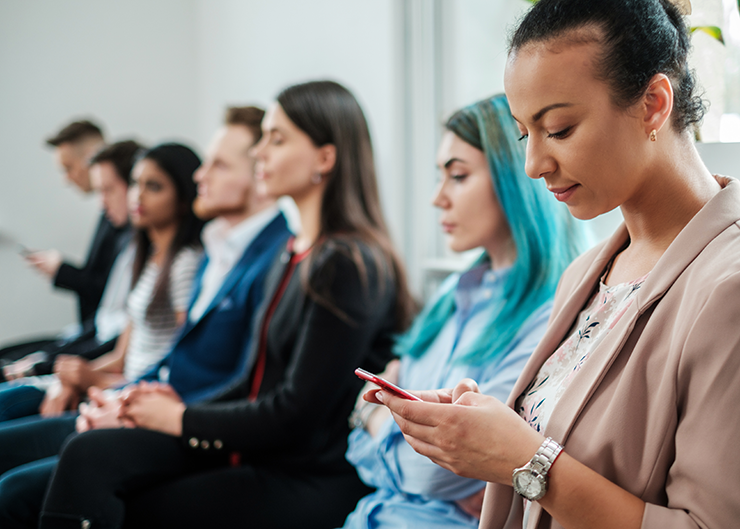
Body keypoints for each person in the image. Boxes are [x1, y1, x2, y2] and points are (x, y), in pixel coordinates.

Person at [369, 1, 740, 528]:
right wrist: (485, 431)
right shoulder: (585, 275)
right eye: (525, 134)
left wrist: (522, 457)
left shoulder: (728, 289)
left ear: (654, 104)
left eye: (560, 129)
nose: (533, 164)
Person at [38, 80, 415, 529]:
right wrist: (157, 408)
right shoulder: (294, 252)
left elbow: (295, 412)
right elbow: (251, 380)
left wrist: (181, 418)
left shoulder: (347, 263)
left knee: (113, 483)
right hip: (265, 449)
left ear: (325, 158)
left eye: (276, 140)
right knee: (89, 452)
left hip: (306, 475)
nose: (260, 153)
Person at [0, 106, 292, 528]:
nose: (200, 177)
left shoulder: (249, 257)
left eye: (219, 164)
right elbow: (160, 355)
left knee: (20, 485)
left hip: (184, 418)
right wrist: (120, 394)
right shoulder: (214, 251)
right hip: (149, 398)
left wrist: (125, 400)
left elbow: (242, 382)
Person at [341, 94, 584, 529]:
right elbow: (375, 456)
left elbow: (429, 474)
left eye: (457, 176)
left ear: (515, 179)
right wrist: (375, 421)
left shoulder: (552, 313)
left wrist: (374, 416)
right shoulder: (452, 292)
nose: (438, 198)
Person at [0, 141, 142, 420]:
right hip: (92, 350)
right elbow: (106, 321)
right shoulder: (129, 239)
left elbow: (117, 343)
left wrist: (48, 367)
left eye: (108, 190)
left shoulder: (151, 252)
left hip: (113, 381)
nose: (102, 202)